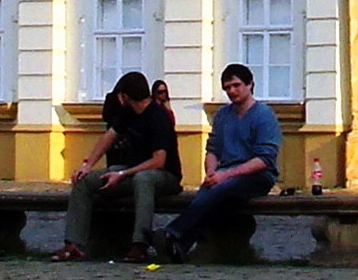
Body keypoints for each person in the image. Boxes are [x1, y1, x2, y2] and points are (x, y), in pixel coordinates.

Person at [157, 64, 279, 263]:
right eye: (228, 87)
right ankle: (180, 245)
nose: (232, 91)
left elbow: (264, 160)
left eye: (236, 85)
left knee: (220, 189)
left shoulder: (264, 115)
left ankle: (173, 232)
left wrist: (225, 176)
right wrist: (212, 172)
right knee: (212, 192)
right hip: (225, 173)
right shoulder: (223, 115)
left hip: (257, 176)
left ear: (250, 85)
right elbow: (213, 149)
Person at [52, 71, 179, 261]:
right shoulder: (128, 112)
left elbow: (158, 161)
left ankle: (139, 245)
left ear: (124, 97)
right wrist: (87, 165)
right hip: (130, 172)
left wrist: (121, 173)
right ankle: (73, 245)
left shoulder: (158, 116)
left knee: (143, 179)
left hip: (164, 176)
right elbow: (109, 137)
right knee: (84, 181)